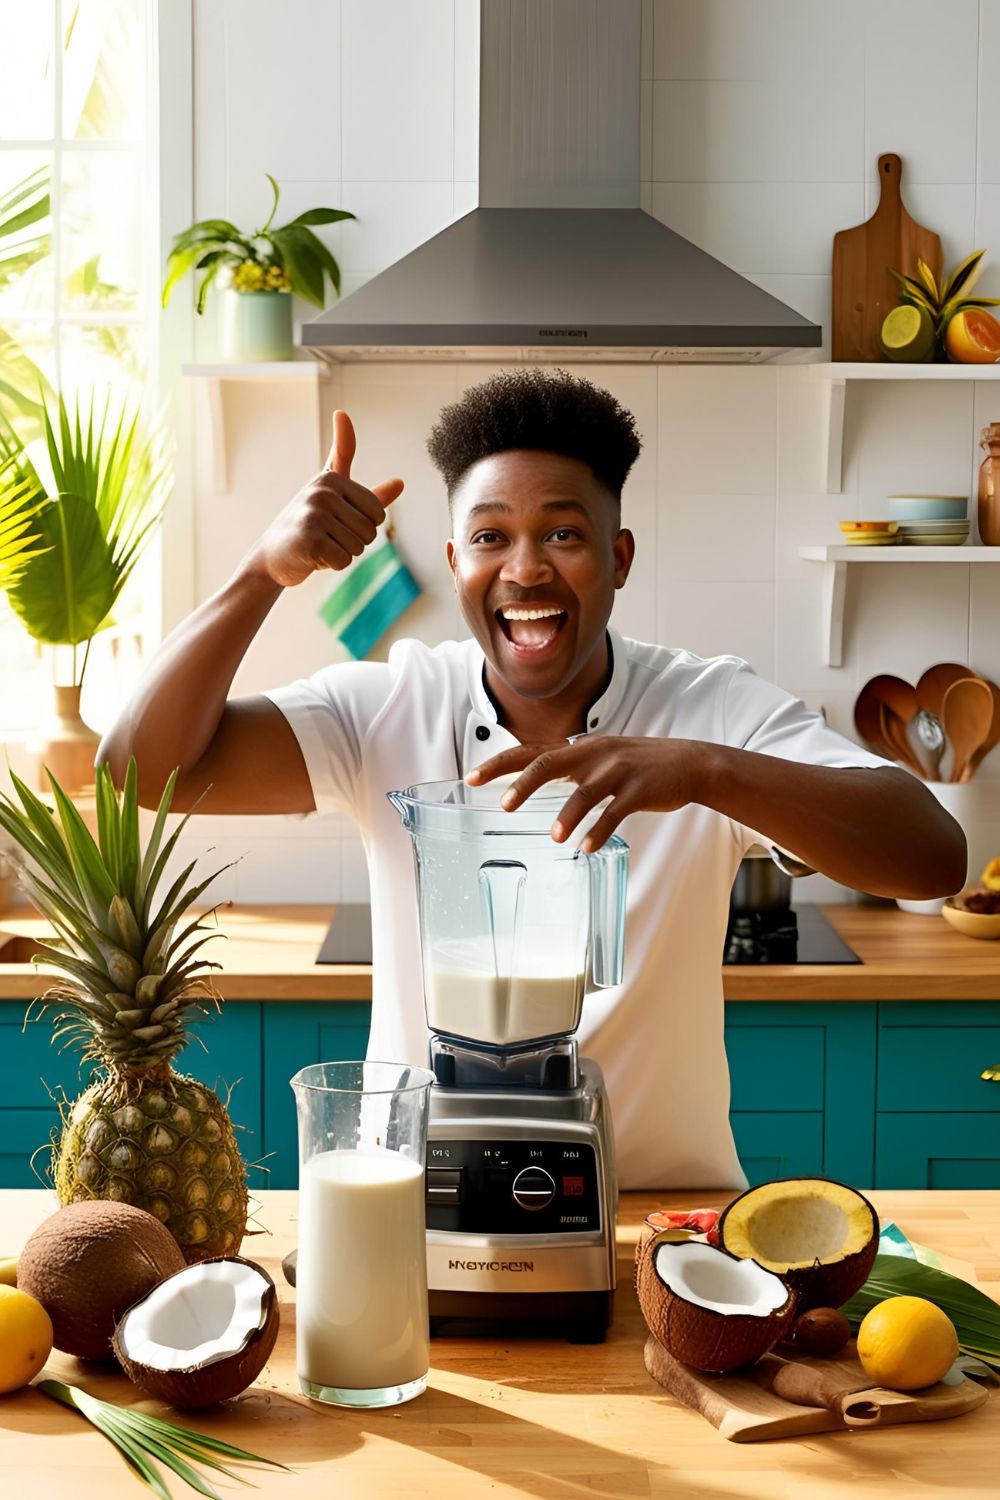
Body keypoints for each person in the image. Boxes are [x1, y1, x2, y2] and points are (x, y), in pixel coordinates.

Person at [99, 368, 966, 1189]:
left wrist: (704, 771)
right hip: (410, 1206)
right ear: (454, 560)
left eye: (563, 532)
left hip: (659, 1211)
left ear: (619, 557)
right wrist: (263, 572)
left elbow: (932, 856)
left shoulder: (709, 708)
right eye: (490, 538)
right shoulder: (386, 707)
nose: (525, 570)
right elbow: (136, 768)